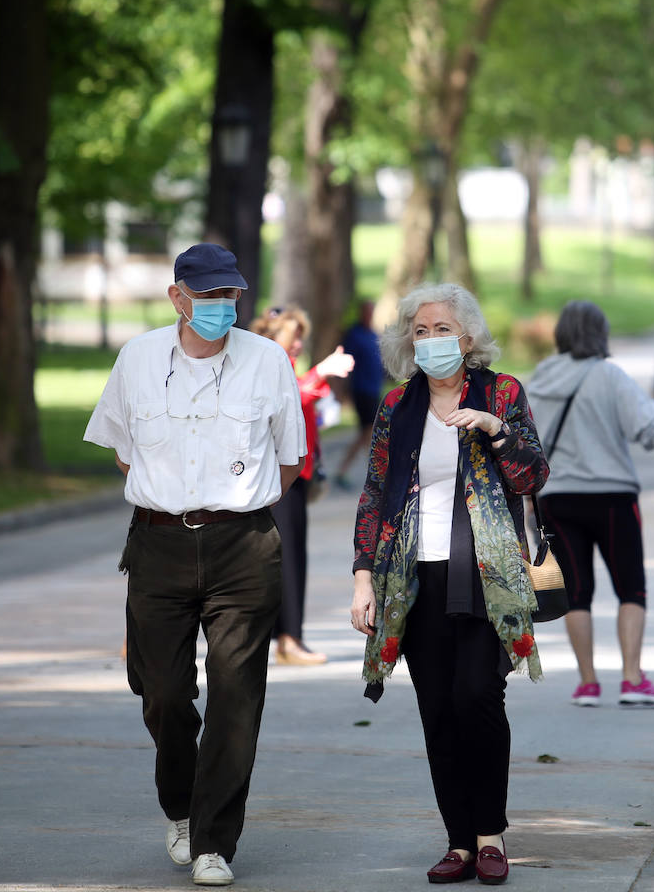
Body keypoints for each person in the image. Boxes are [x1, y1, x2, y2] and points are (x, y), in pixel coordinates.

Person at [83, 243, 307, 887]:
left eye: (229, 297)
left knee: (237, 695)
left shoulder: (267, 362)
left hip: (243, 547)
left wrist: (232, 507)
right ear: (177, 296)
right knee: (162, 695)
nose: (220, 309)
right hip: (158, 544)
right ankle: (180, 806)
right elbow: (125, 453)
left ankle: (214, 840)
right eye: (207, 297)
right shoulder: (139, 358)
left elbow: (289, 461)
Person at [349, 282, 548, 886]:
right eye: (421, 330)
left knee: (477, 698)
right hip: (413, 580)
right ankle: (459, 842)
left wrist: (495, 428)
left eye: (443, 329)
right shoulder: (396, 406)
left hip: (486, 579)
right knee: (437, 708)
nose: (432, 340)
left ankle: (491, 835)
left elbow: (532, 476)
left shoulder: (502, 392)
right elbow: (376, 497)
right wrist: (363, 581)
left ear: (467, 337)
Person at [527, 301, 654, 709]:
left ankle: (588, 683)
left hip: (556, 499)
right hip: (612, 498)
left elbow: (524, 442)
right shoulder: (608, 375)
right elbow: (649, 425)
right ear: (600, 333)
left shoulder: (539, 378)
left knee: (576, 592)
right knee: (631, 587)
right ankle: (631, 678)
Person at [252, 305, 354, 666]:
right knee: (287, 558)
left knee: (292, 556)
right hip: (277, 475)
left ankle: (287, 637)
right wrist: (321, 373)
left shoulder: (286, 367)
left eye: (299, 338)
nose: (297, 344)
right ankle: (289, 639)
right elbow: (289, 401)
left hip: (296, 473)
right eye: (292, 336)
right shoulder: (266, 367)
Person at [332, 299, 385, 489]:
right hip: (361, 390)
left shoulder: (373, 334)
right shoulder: (355, 335)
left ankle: (347, 470)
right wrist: (341, 391)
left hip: (374, 388)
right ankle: (374, 473)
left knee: (366, 432)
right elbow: (346, 362)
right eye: (366, 311)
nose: (369, 315)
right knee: (370, 430)